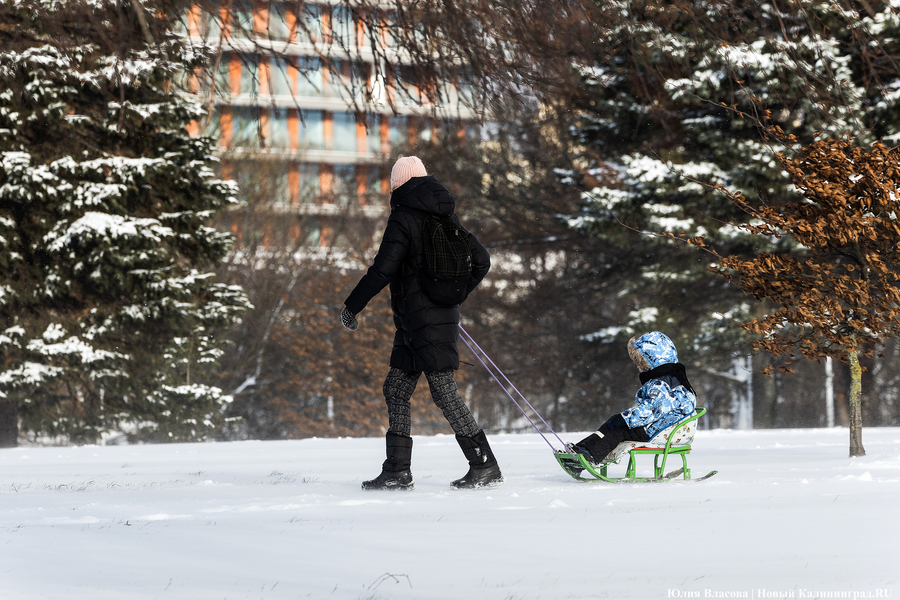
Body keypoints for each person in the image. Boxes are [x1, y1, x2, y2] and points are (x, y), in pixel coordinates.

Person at [341, 156, 502, 491]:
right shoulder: (445, 213)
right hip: (422, 320)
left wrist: (351, 307)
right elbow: (482, 260)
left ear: (398, 184)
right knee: (396, 388)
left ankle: (484, 464)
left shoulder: (404, 217)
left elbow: (382, 269)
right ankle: (397, 470)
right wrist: (453, 296)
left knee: (443, 391)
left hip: (422, 320)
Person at [566, 331, 697, 468]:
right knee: (616, 424)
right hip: (662, 428)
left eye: (640, 362)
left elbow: (651, 410)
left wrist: (625, 418)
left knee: (618, 428)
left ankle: (589, 455)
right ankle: (583, 450)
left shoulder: (662, 384)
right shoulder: (674, 380)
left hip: (657, 430)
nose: (637, 366)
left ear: (652, 362)